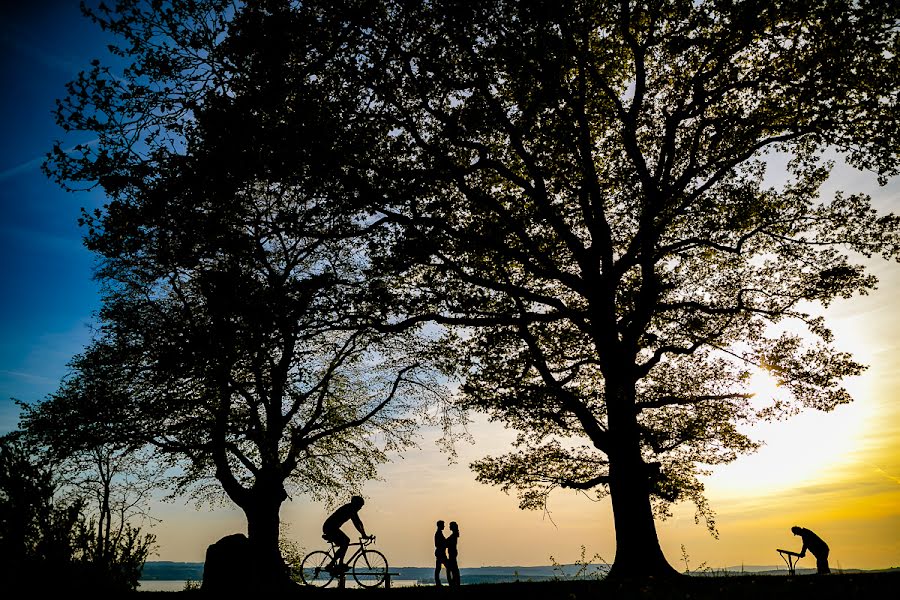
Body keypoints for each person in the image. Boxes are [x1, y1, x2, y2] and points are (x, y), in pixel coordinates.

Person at [323, 495, 369, 574]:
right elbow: (356, 523)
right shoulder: (350, 509)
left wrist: (364, 533)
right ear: (356, 504)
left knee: (344, 543)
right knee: (346, 541)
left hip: (331, 527)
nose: (360, 508)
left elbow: (359, 522)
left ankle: (335, 565)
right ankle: (337, 564)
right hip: (330, 528)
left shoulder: (352, 509)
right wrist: (363, 534)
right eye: (360, 506)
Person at [445, 521, 460, 587]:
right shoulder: (454, 535)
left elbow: (448, 543)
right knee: (453, 569)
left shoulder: (453, 536)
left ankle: (453, 583)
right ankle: (455, 582)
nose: (449, 527)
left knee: (451, 569)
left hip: (452, 553)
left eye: (450, 526)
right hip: (452, 553)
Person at [434, 520, 448, 586]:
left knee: (438, 568)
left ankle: (438, 583)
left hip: (440, 553)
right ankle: (438, 583)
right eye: (443, 525)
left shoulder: (439, 533)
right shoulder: (438, 533)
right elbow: (437, 544)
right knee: (446, 567)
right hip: (441, 553)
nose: (444, 526)